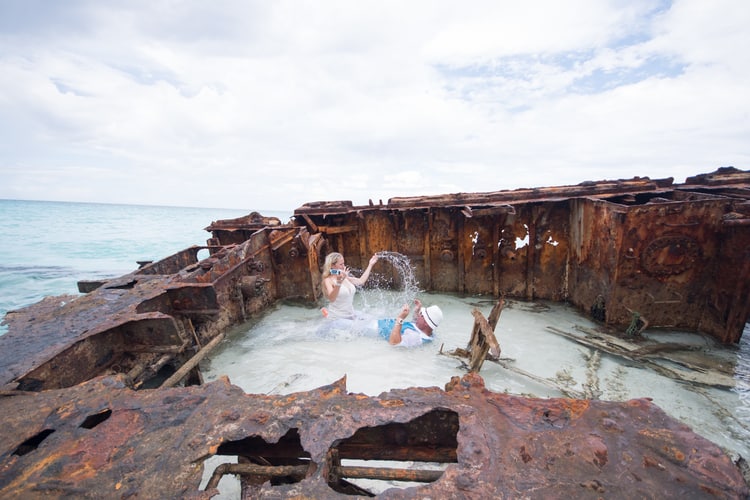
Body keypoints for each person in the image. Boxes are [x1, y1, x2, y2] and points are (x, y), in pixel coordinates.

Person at [322, 252, 379, 320]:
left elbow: (361, 281)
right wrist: (339, 282)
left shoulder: (345, 277)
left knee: (373, 320)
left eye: (344, 263)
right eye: (341, 264)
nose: (344, 266)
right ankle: (326, 314)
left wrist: (370, 264)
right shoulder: (328, 280)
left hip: (351, 314)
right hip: (337, 318)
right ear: (332, 266)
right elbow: (332, 298)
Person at [377, 298, 443, 347]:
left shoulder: (416, 337)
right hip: (378, 323)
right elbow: (416, 327)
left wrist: (400, 319)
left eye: (421, 314)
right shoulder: (427, 332)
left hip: (375, 329)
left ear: (426, 323)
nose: (419, 315)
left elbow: (394, 343)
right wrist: (416, 311)